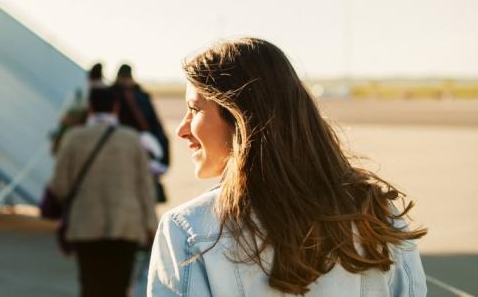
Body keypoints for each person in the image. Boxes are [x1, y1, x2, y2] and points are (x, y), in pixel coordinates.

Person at [148, 38, 428, 296]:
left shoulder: (189, 231)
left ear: (240, 115)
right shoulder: (377, 214)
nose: (181, 130)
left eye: (195, 109)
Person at [49, 87, 157, 297]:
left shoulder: (73, 138)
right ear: (116, 108)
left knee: (91, 286)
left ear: (90, 108)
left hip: (86, 225)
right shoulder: (132, 139)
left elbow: (59, 185)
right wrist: (151, 224)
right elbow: (145, 186)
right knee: (118, 287)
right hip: (126, 225)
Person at [51, 62, 106, 154]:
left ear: (89, 76)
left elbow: (64, 117)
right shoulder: (105, 95)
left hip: (73, 136)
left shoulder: (80, 95)